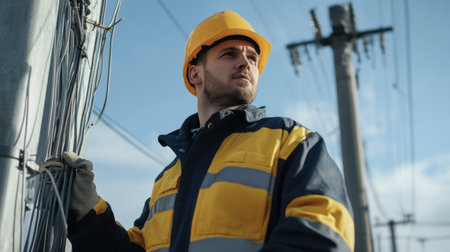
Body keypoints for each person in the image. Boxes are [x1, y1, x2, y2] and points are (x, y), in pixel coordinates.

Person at [65, 10, 355, 252]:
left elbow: (323, 234)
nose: (246, 62)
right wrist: (89, 212)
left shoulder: (291, 142)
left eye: (252, 58)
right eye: (229, 54)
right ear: (195, 73)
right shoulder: (169, 177)